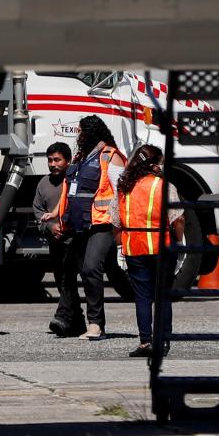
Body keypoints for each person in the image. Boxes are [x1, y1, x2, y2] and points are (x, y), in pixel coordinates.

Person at [42, 115, 125, 340]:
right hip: (79, 224)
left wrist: (120, 227)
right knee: (73, 270)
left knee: (90, 268)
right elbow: (69, 190)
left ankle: (96, 324)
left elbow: (120, 192)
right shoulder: (80, 157)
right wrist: (56, 213)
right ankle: (78, 320)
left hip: (102, 223)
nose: (78, 135)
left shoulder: (110, 156)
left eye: (81, 131)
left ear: (91, 132)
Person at [113, 145, 184, 358]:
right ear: (153, 165)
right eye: (160, 163)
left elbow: (115, 222)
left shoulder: (124, 186)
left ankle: (145, 342)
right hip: (161, 245)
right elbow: (178, 219)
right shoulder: (163, 186)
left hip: (134, 247)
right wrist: (179, 240)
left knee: (142, 297)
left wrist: (120, 246)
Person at [33, 141, 86, 337]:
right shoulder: (43, 184)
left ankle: (62, 316)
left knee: (71, 278)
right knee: (64, 281)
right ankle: (77, 323)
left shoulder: (75, 181)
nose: (53, 164)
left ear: (68, 161)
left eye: (57, 160)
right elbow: (38, 211)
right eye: (50, 160)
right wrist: (50, 227)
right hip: (56, 242)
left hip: (76, 239)